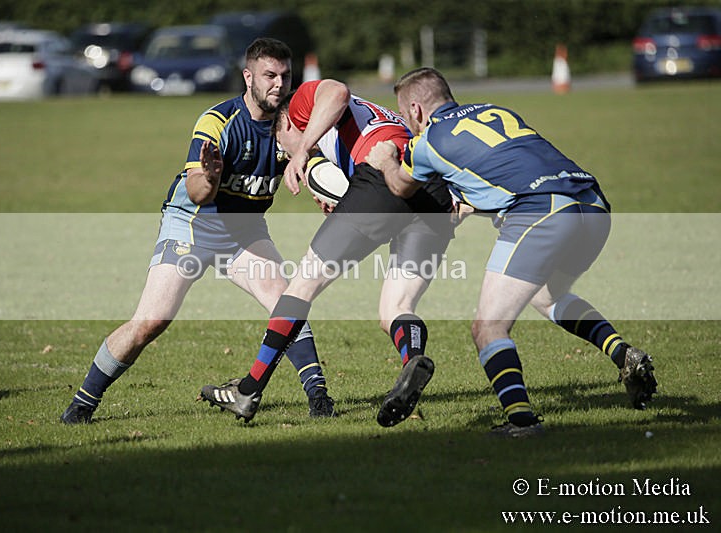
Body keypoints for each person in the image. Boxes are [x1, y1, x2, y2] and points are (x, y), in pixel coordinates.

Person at [366, 67, 658, 437]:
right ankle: (623, 354)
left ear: (415, 109)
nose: (408, 123)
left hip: (542, 213)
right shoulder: (495, 110)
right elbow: (508, 167)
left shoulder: (428, 142)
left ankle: (522, 421)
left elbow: (400, 186)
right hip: (592, 206)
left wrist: (385, 159)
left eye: (405, 115)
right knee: (547, 295)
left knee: (488, 327)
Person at [60, 38, 336, 424]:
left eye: (285, 76)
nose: (279, 84)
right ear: (248, 77)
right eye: (269, 75)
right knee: (151, 321)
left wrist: (326, 192)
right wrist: (210, 176)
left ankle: (319, 397)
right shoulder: (218, 121)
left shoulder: (292, 125)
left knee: (288, 304)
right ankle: (82, 404)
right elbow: (196, 193)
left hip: (245, 231)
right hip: (192, 224)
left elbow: (317, 162)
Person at [199, 78, 454, 426]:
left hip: (383, 179)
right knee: (395, 308)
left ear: (288, 124)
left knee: (300, 288)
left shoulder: (300, 105)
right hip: (432, 191)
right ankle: (413, 361)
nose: (285, 154)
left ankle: (248, 389)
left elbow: (337, 92)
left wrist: (302, 149)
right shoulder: (379, 116)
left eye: (282, 146)